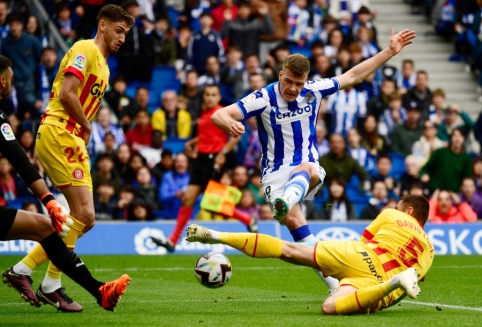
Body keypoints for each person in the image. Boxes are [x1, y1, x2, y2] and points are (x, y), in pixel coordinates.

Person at [209, 28, 416, 292]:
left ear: (306, 80)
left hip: (307, 169)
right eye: (289, 83)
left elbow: (353, 75)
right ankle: (335, 285)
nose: (294, 89)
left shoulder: (313, 91)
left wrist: (390, 51)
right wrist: (230, 123)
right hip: (274, 174)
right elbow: (219, 114)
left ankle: (287, 200)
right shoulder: (263, 97)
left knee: (308, 168)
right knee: (299, 230)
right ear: (281, 74)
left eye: (299, 83)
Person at [10, 5, 134, 312]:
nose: (122, 38)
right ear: (102, 25)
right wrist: (87, 124)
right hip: (60, 131)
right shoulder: (84, 49)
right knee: (84, 214)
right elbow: (67, 94)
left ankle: (31, 273)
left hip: (71, 138)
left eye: (126, 34)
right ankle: (41, 279)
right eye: (118, 31)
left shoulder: (103, 66)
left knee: (83, 219)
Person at [186, 194, 433, 315]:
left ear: (408, 210)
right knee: (330, 307)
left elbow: (365, 241)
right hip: (378, 283)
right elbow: (406, 291)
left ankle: (218, 235)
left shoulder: (393, 214)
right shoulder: (430, 252)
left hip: (361, 255)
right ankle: (391, 283)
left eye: (400, 204)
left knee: (288, 249)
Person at [151, 84, 258, 252]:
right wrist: (191, 143)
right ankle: (172, 240)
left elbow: (237, 136)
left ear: (218, 98)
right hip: (200, 160)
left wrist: (223, 153)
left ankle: (247, 219)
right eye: (207, 94)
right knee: (188, 200)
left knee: (213, 204)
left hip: (213, 160)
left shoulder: (223, 112)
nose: (209, 97)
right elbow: (206, 135)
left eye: (213, 95)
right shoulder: (204, 113)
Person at [420, 127, 472, 193]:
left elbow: (467, 178)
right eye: (454, 136)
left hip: (453, 195)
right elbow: (425, 169)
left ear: (464, 139)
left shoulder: (466, 158)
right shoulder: (440, 152)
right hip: (435, 192)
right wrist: (424, 174)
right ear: (451, 138)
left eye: (460, 136)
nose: (457, 139)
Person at [158, 153, 190, 219]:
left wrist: (189, 195)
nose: (180, 164)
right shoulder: (167, 176)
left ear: (187, 164)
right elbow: (162, 197)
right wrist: (174, 195)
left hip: (190, 219)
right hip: (170, 219)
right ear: (174, 163)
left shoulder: (193, 177)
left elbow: (201, 198)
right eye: (178, 162)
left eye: (183, 162)